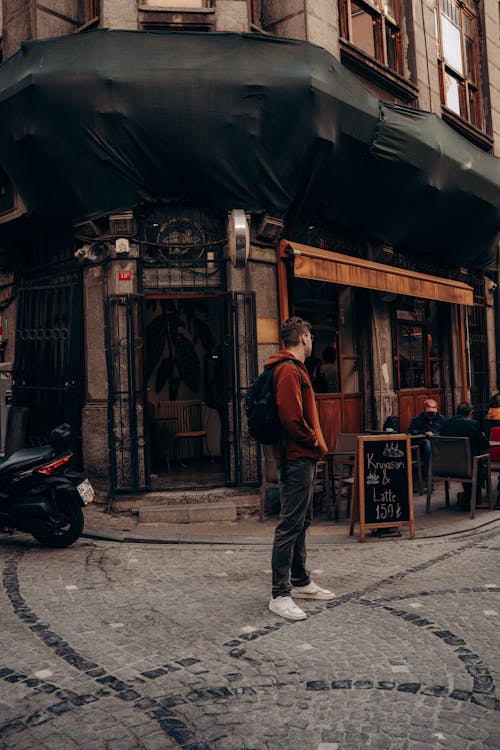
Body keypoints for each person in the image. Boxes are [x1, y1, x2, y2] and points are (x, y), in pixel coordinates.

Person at [266, 316, 335, 621]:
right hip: (296, 457)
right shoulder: (288, 370)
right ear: (304, 337)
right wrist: (316, 444)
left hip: (299, 456)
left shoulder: (292, 369)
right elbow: (291, 418)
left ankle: (301, 581)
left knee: (301, 519)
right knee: (290, 523)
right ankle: (280, 594)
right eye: (311, 337)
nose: (312, 342)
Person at [441, 402, 489, 510]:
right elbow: (484, 444)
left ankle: (467, 497)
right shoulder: (473, 424)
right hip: (469, 467)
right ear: (470, 413)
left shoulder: (446, 424)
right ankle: (469, 497)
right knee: (480, 467)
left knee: (469, 463)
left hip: (447, 467)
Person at [408, 399, 445, 484]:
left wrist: (435, 434)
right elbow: (411, 431)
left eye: (433, 413)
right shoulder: (417, 419)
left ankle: (438, 472)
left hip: (438, 442)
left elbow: (445, 431)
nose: (431, 415)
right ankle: (428, 477)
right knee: (427, 444)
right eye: (429, 413)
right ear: (424, 410)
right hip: (424, 444)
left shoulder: (441, 418)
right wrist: (424, 433)